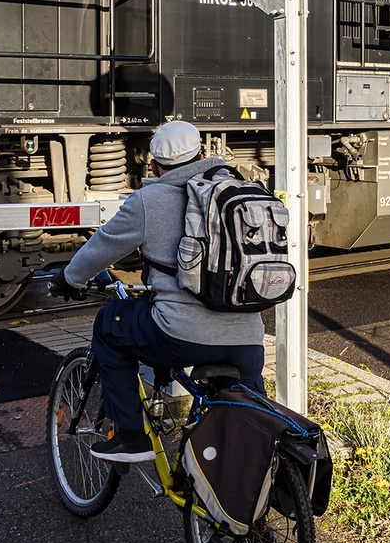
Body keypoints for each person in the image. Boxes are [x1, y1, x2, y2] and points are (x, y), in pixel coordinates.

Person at [51, 120, 266, 463]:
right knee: (256, 425)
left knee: (109, 324)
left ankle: (132, 438)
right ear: (201, 154)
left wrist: (68, 278)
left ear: (153, 164)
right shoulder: (238, 190)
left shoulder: (148, 201)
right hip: (249, 338)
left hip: (180, 336)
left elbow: (101, 247)